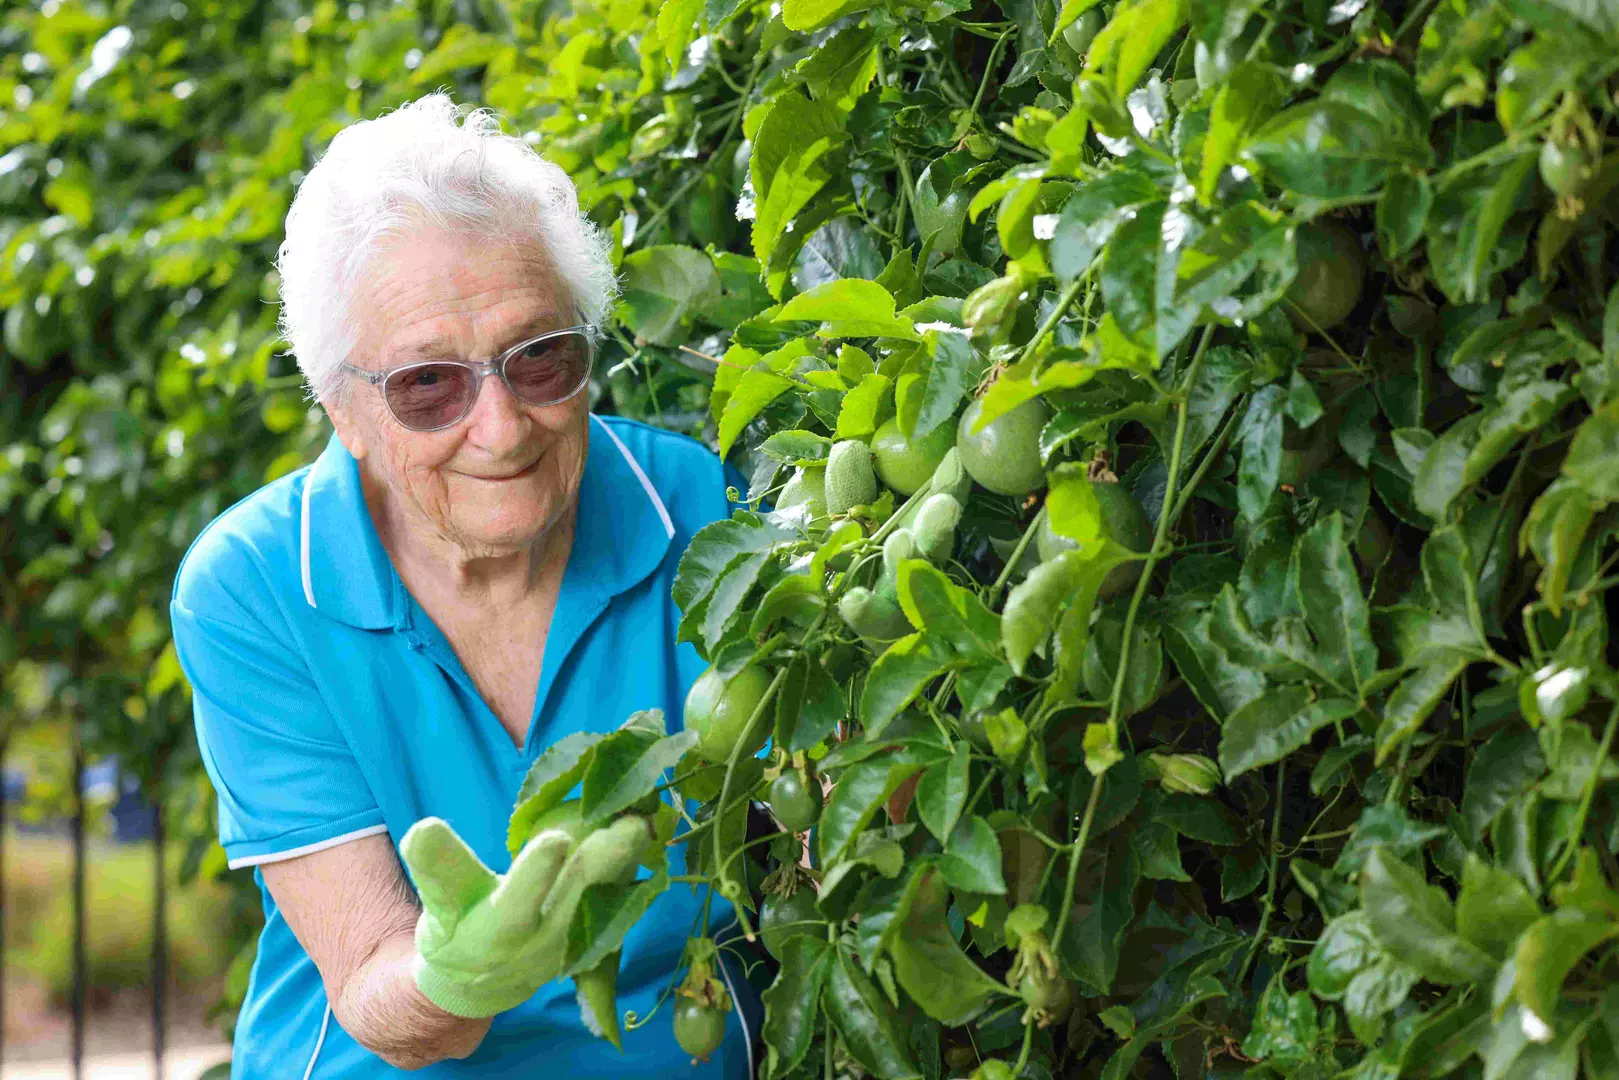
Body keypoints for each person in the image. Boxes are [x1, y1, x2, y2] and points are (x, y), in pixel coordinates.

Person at [169, 92, 757, 1078]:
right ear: (342, 410)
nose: (502, 427)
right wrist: (455, 981)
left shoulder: (699, 509)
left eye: (540, 360)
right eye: (428, 386)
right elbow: (367, 979)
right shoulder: (255, 587)